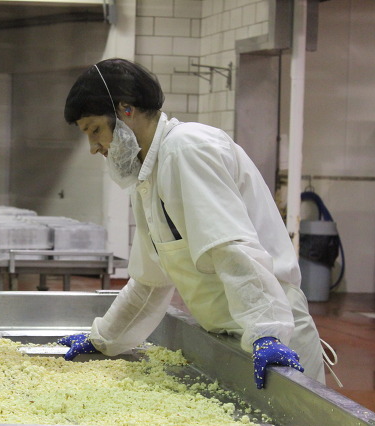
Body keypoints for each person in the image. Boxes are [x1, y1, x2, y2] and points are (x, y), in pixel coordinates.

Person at [57, 58, 325, 389]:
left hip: (277, 343)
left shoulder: (187, 148)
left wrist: (267, 332)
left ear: (126, 110)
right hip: (238, 338)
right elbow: (149, 282)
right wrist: (103, 338)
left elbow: (232, 248)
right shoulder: (148, 176)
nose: (94, 147)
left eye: (95, 130)